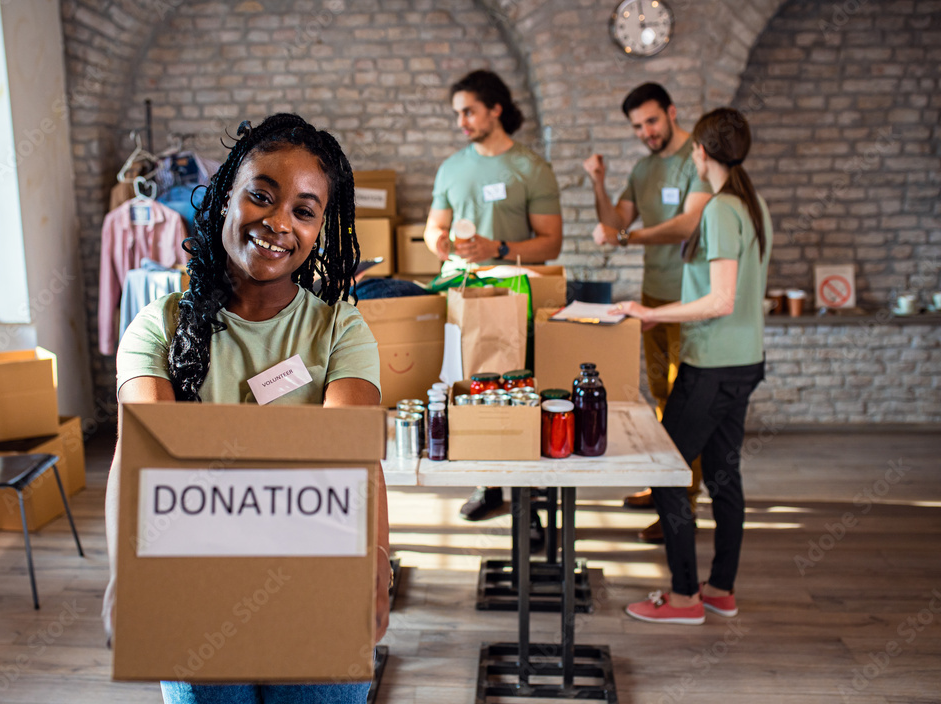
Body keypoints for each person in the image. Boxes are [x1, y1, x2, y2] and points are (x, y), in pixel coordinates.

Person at [101, 113, 390, 703]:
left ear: (319, 231)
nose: (279, 222)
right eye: (262, 195)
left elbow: (352, 459)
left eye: (305, 211)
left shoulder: (340, 328)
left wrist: (376, 568)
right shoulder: (158, 327)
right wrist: (125, 569)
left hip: (313, 588)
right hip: (195, 591)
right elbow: (140, 457)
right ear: (223, 197)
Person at [613, 107, 772, 624]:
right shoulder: (753, 204)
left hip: (712, 366)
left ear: (701, 153)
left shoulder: (722, 210)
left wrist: (653, 313)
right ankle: (720, 589)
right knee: (725, 478)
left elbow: (721, 299)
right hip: (744, 361)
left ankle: (683, 597)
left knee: (663, 470)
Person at [423, 69, 563, 547]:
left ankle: (528, 505)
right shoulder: (451, 168)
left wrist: (498, 248)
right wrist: (437, 240)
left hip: (515, 295)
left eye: (468, 111)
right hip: (461, 294)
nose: (461, 121)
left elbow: (551, 243)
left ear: (495, 109)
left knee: (517, 393)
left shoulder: (532, 168)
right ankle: (488, 486)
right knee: (471, 389)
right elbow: (431, 229)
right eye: (457, 113)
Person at [582, 83, 711, 543]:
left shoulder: (700, 157)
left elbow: (688, 223)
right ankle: (665, 489)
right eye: (637, 126)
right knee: (661, 397)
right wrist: (598, 182)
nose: (645, 132)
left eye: (652, 121)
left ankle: (684, 508)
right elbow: (616, 221)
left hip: (692, 301)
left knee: (684, 404)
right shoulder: (643, 167)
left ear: (672, 112)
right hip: (654, 299)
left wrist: (625, 239)